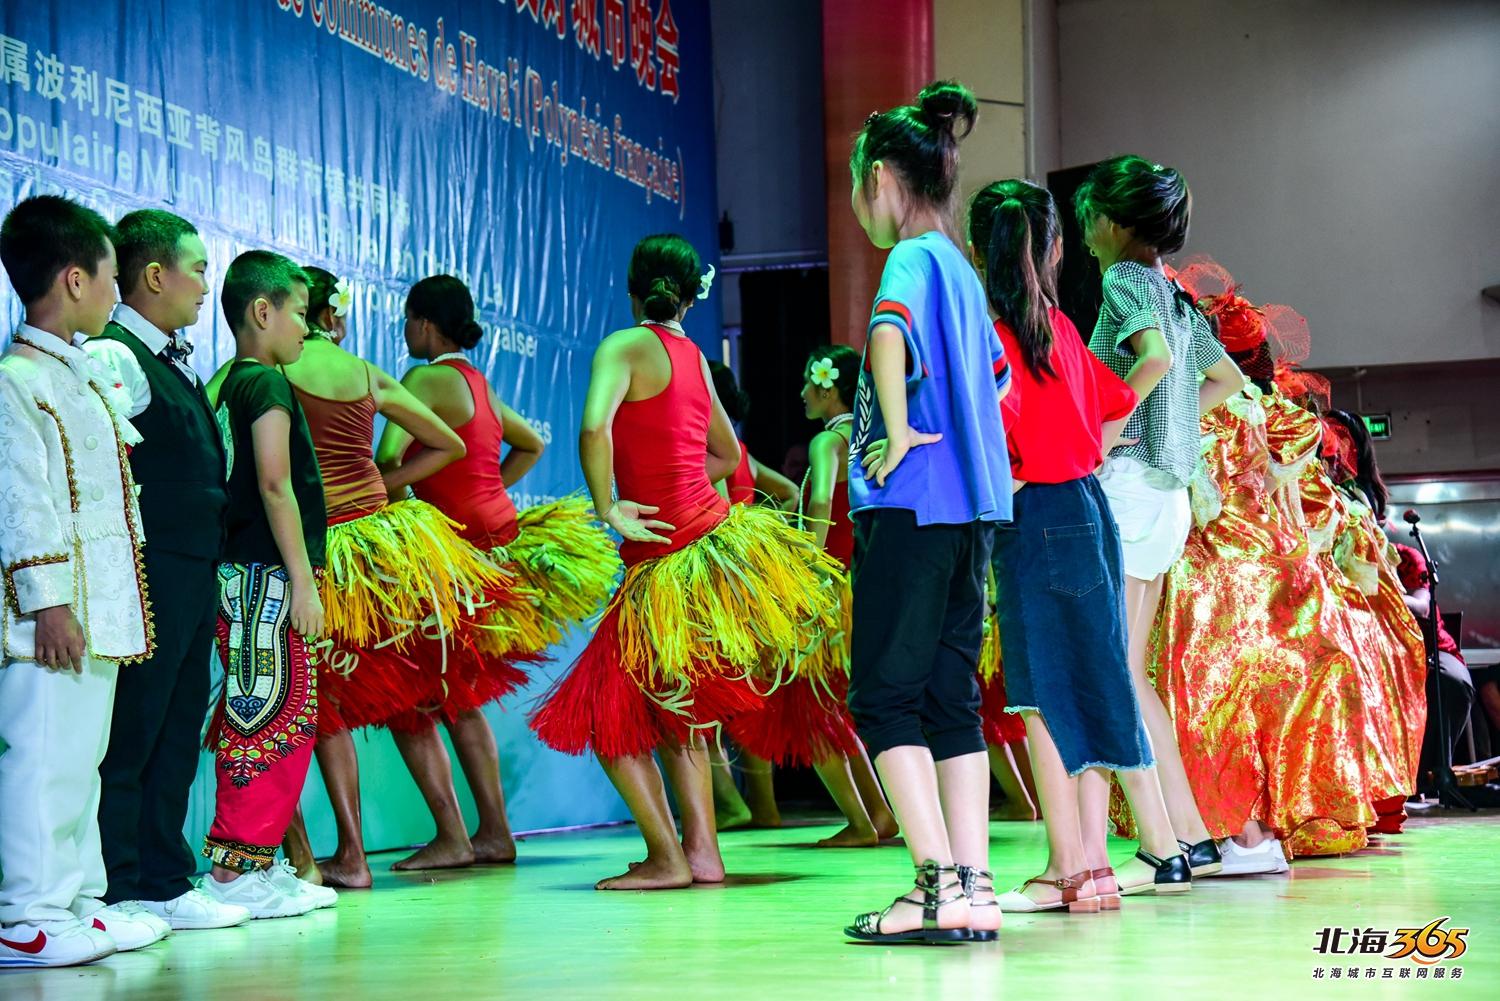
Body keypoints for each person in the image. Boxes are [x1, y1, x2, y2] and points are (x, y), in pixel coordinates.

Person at [530, 233, 844, 890]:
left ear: (632, 287)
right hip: (707, 545)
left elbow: (593, 427)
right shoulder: (697, 358)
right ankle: (701, 853)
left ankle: (671, 855)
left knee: (601, 714)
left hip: (667, 561)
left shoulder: (624, 347)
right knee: (683, 712)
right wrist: (676, 482)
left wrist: (610, 502)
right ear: (692, 296)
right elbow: (730, 456)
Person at [212, 266, 514, 888]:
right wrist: (382, 486)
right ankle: (457, 834)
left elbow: (236, 445)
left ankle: (340, 858)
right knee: (415, 700)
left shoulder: (267, 373)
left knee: (321, 705)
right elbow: (448, 445)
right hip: (384, 554)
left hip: (325, 555)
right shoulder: (366, 371)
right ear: (332, 315)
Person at [966, 178, 1193, 912]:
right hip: (1092, 513)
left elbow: (993, 450)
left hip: (1036, 519)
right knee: (1094, 681)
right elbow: (1118, 402)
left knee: (1039, 697)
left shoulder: (990, 338)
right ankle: (1091, 864)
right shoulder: (1060, 329)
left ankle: (1068, 865)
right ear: (1054, 246)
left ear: (980, 250)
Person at [840, 81, 1012, 945]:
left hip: (912, 507)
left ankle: (935, 885)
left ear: (882, 177)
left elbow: (886, 335)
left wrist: (900, 430)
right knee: (952, 700)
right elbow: (1000, 380)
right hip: (973, 511)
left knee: (883, 696)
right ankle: (974, 885)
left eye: (857, 185)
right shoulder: (966, 270)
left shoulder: (909, 258)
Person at [374, 273, 621, 867]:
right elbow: (531, 444)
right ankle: (490, 833)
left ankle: (458, 838)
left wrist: (407, 504)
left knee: (413, 700)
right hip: (495, 544)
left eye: (408, 319)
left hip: (454, 558)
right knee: (453, 697)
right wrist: (489, 492)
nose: (404, 331)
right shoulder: (478, 385)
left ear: (426, 324)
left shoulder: (424, 379)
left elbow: (385, 462)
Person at [0, 196, 167, 968]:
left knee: (81, 758)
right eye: (107, 276)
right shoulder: (17, 379)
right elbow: (21, 503)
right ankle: (24, 911)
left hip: (100, 606)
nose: (114, 291)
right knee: (42, 756)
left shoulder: (77, 373)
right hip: (55, 615)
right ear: (72, 279)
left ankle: (74, 899)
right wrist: (50, 603)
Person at [1076, 155, 1245, 885]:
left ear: (1114, 222)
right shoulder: (1175, 295)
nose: (1084, 232)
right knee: (1129, 669)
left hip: (1128, 489)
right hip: (1168, 494)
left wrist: (1106, 431)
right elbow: (1229, 380)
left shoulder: (1124, 281)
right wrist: (1172, 427)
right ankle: (1189, 833)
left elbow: (1147, 359)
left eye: (1088, 217)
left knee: (1111, 668)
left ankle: (1162, 842)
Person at [83, 209, 249, 931]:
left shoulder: (174, 359)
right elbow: (97, 473)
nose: (207, 285)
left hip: (191, 566)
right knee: (137, 725)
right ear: (155, 275)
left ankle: (164, 875)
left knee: (179, 722)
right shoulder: (115, 356)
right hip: (149, 568)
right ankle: (119, 881)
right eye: (199, 268)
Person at [197, 251, 328, 919]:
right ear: (262, 311)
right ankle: (233, 867)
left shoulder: (222, 385)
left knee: (266, 710)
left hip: (239, 575)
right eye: (301, 314)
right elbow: (276, 484)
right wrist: (303, 581)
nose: (306, 329)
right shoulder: (267, 386)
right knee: (268, 716)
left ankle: (259, 860)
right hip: (267, 578)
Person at [725, 346, 900, 848]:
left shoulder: (828, 441)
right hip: (861, 582)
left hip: (830, 583)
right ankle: (879, 816)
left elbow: (820, 498)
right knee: (829, 705)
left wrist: (809, 565)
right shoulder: (869, 436)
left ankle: (862, 823)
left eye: (808, 382)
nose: (801, 392)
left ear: (827, 387)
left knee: (811, 706)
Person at [705, 360, 801, 831]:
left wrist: (738, 536)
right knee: (744, 695)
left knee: (710, 698)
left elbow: (718, 508)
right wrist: (761, 533)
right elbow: (789, 494)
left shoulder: (706, 449)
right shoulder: (741, 451)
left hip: (722, 577)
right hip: (749, 577)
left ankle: (733, 805)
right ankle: (762, 808)